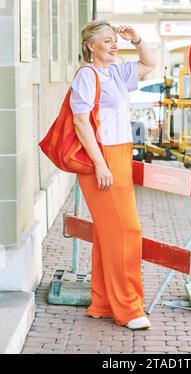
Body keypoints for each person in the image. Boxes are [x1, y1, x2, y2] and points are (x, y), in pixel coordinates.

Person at [69, 20, 157, 329]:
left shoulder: (117, 73)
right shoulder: (86, 76)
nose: (112, 44)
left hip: (119, 154)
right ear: (91, 46)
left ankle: (104, 302)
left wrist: (137, 38)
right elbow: (80, 123)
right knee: (126, 231)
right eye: (106, 40)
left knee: (110, 232)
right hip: (101, 158)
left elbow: (150, 63)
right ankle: (129, 309)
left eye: (113, 39)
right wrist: (101, 163)